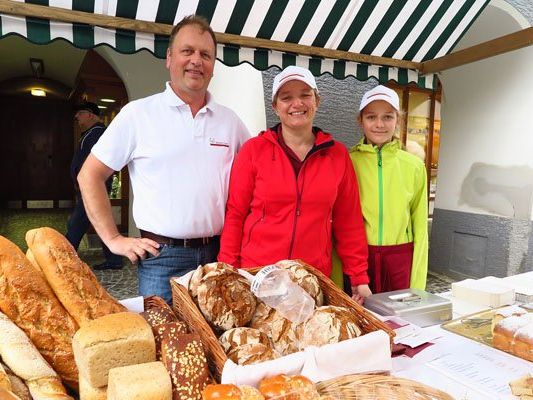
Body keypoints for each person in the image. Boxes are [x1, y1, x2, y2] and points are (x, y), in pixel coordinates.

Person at [77, 16, 250, 304]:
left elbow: (255, 178)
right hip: (162, 260)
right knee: (166, 344)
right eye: (188, 51)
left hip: (218, 255)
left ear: (214, 66)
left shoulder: (230, 122)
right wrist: (113, 239)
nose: (197, 60)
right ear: (169, 58)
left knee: (213, 343)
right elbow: (89, 175)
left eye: (205, 55)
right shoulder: (138, 114)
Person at [218, 66, 370, 303]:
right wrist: (228, 269)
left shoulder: (337, 156)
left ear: (317, 100)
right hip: (258, 275)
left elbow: (348, 221)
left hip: (311, 278)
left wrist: (359, 277)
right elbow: (235, 214)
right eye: (286, 97)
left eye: (305, 95)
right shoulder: (253, 151)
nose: (296, 103)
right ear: (275, 107)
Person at [335, 85, 428, 296]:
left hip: (399, 259)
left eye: (387, 117)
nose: (379, 124)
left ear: (398, 120)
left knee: (399, 323)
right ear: (361, 121)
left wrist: (418, 285)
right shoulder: (347, 162)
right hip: (358, 259)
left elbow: (420, 227)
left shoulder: (413, 166)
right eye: (371, 117)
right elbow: (338, 222)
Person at [66, 101, 123, 270]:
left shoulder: (98, 134)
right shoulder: (91, 133)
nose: (76, 116)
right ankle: (114, 259)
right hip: (88, 188)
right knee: (95, 220)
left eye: (80, 113)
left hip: (92, 188)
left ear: (90, 114)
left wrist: (88, 184)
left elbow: (98, 165)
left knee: (76, 223)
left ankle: (63, 257)